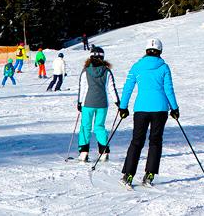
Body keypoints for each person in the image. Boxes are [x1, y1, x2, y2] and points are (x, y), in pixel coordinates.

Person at [119, 37, 180, 188]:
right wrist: (174, 108)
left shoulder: (137, 66)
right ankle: (150, 174)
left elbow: (128, 87)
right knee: (155, 141)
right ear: (160, 51)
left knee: (137, 141)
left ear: (146, 50)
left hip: (141, 108)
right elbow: (168, 89)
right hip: (160, 109)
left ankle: (128, 174)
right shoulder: (164, 67)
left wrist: (123, 107)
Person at [77, 46, 121, 161]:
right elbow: (111, 88)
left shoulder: (86, 71)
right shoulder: (107, 71)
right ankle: (104, 151)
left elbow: (82, 87)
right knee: (99, 127)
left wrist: (79, 102)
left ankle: (84, 152)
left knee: (85, 126)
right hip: (102, 104)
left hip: (88, 103)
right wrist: (117, 102)